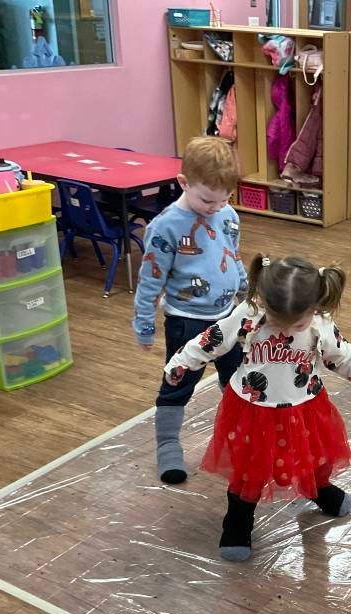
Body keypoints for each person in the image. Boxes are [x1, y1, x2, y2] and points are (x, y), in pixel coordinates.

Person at [164, 255, 351, 561]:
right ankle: (238, 520)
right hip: (252, 411)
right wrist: (180, 363)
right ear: (264, 301)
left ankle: (318, 488)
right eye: (277, 321)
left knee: (314, 457)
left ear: (314, 308)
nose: (285, 330)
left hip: (305, 408)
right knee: (248, 471)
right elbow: (210, 340)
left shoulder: (319, 322)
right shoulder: (249, 313)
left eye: (296, 324)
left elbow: (341, 354)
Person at [133, 137, 248, 486]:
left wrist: (246, 291)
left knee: (240, 382)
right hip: (186, 322)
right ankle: (168, 444)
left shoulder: (226, 214)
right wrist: (143, 324)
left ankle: (239, 438)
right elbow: (150, 279)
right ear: (184, 183)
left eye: (224, 199)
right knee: (177, 383)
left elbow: (232, 254)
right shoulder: (166, 226)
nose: (215, 207)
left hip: (228, 319)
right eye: (207, 199)